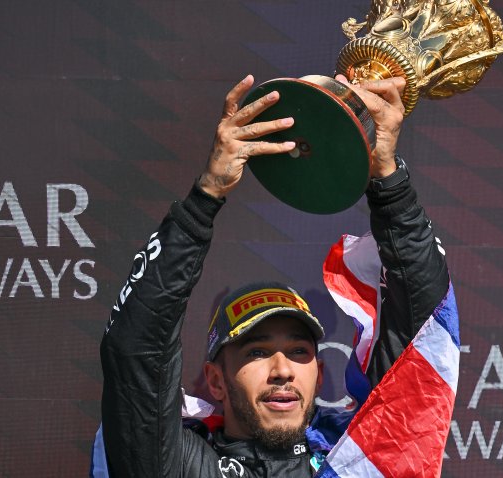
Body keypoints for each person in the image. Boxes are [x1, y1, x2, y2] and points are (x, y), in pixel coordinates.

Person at [98, 73, 450, 477]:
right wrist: (204, 200)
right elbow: (135, 351)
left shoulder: (361, 463)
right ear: (215, 381)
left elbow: (426, 337)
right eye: (257, 352)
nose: (283, 370)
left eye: (300, 352)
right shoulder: (179, 467)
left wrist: (388, 181)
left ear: (318, 377)